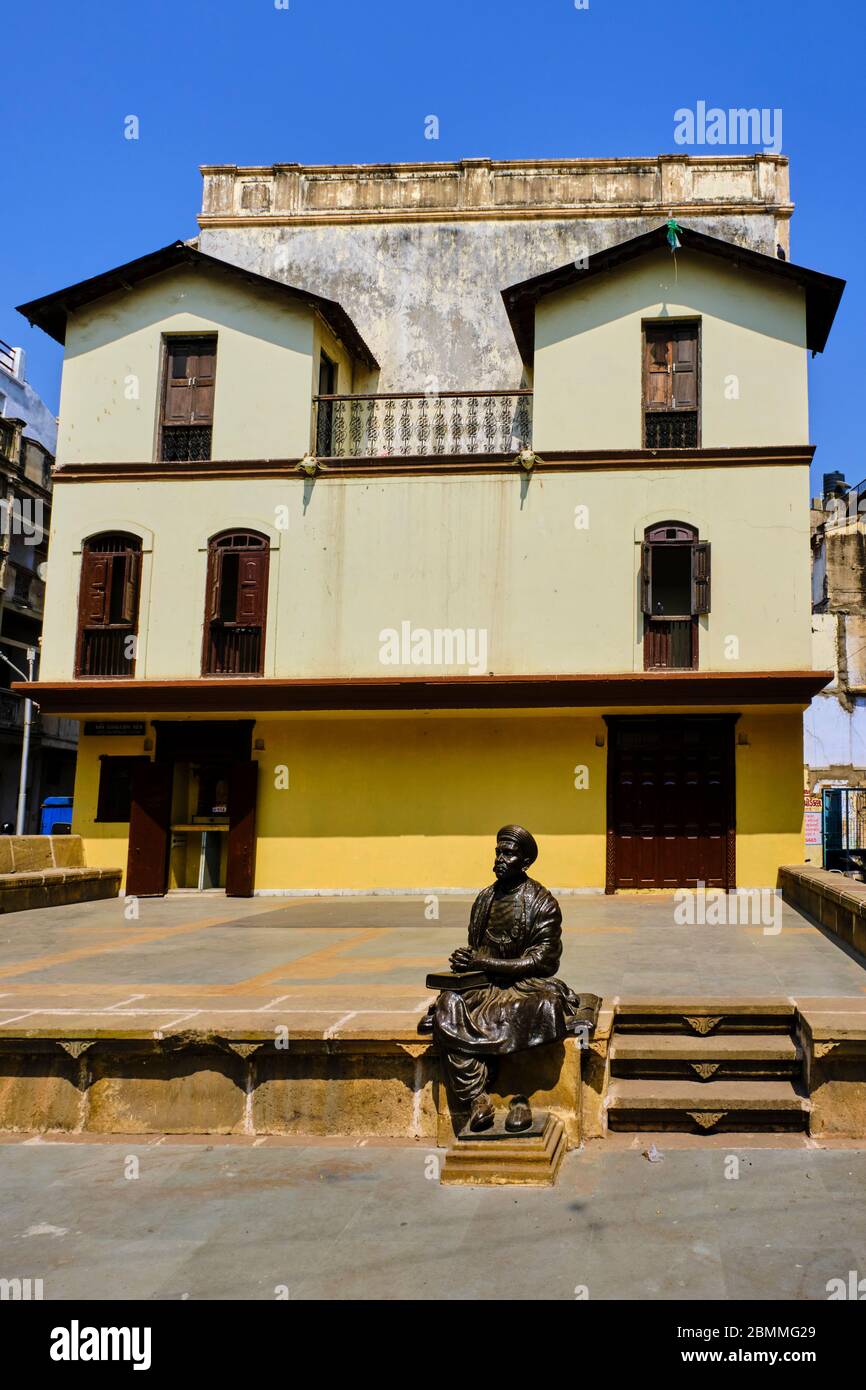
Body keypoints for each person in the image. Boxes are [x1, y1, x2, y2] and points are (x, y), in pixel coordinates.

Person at [420, 824, 597, 1133]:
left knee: (545, 1008)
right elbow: (477, 950)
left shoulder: (543, 903)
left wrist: (484, 960)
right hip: (485, 984)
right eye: (498, 852)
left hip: (525, 984)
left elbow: (543, 960)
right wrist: (466, 960)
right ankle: (478, 1099)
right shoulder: (485, 899)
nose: (500, 858)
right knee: (449, 1005)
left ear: (525, 862)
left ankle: (517, 1095)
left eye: (508, 853)